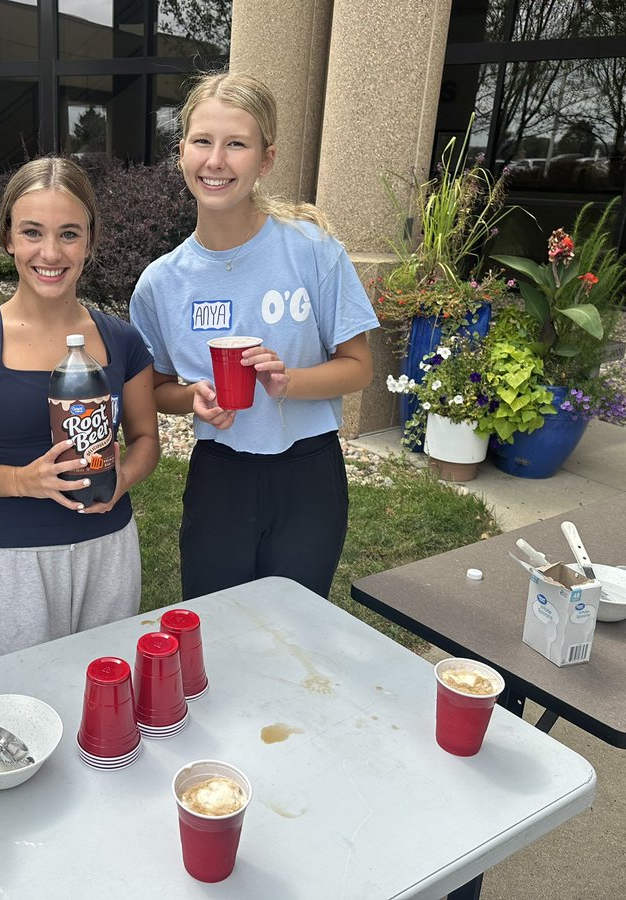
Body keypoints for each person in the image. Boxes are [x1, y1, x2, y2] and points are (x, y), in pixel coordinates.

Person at [129, 72, 379, 601]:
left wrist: (290, 381)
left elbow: (359, 366)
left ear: (265, 160)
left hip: (308, 471)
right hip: (221, 473)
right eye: (202, 141)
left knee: (297, 628)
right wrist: (191, 398)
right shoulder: (161, 282)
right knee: (216, 626)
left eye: (236, 144)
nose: (216, 160)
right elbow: (154, 388)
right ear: (182, 154)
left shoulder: (311, 250)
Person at [0, 157, 160, 659]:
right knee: (26, 702)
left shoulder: (122, 339)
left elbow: (145, 441)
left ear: (90, 242)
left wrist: (123, 478)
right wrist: (22, 481)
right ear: (7, 238)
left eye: (69, 234)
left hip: (109, 545)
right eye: (32, 232)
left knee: (109, 692)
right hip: (16, 556)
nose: (50, 252)